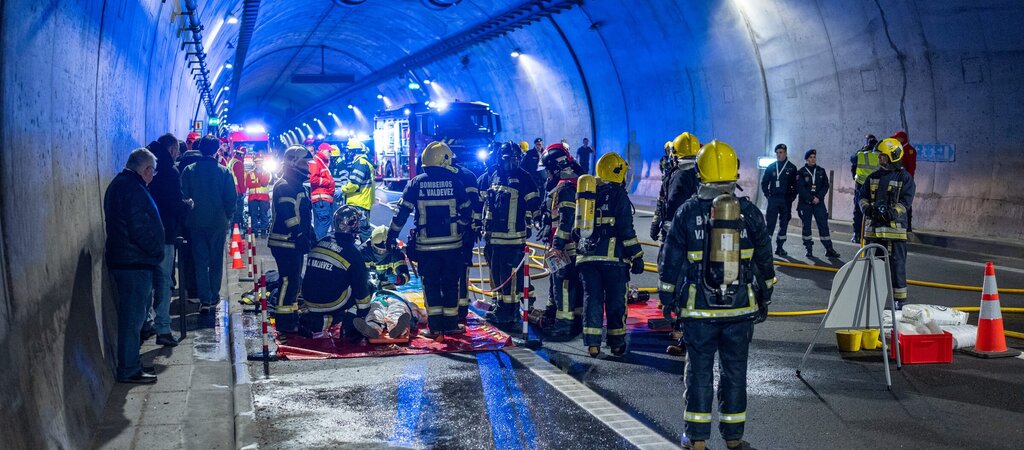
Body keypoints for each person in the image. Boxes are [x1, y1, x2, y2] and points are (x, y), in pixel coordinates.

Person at [658, 140, 776, 450]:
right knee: (735, 372)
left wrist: (667, 299)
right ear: (734, 173)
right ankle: (734, 438)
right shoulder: (750, 213)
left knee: (698, 372)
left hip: (699, 311)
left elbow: (671, 261)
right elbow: (765, 261)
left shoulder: (687, 213)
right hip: (740, 309)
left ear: (700, 172)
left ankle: (696, 439)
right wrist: (765, 295)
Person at [387, 142, 472, 337]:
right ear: (444, 159)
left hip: (426, 247)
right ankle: (450, 325)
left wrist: (392, 235)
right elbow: (467, 211)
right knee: (451, 284)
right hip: (452, 246)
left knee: (431, 285)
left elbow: (402, 213)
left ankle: (434, 328)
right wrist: (459, 227)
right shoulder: (455, 182)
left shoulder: (415, 183)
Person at [104, 148, 164, 384]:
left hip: (128, 260)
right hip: (133, 263)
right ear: (146, 169)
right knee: (132, 319)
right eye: (153, 172)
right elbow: (138, 229)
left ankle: (132, 363)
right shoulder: (132, 189)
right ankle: (128, 368)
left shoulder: (121, 184)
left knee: (134, 316)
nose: (153, 176)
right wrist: (156, 251)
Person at [576, 152, 645, 357]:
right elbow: (626, 230)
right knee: (616, 302)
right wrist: (637, 255)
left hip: (587, 258)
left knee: (592, 300)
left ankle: (593, 344)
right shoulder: (618, 195)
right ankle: (616, 343)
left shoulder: (588, 193)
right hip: (613, 260)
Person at [478, 142, 541, 329]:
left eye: (515, 159)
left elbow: (534, 203)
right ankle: (499, 306)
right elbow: (484, 203)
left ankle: (510, 312)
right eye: (508, 159)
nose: (512, 163)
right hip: (493, 237)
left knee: (511, 276)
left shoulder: (524, 177)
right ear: (500, 159)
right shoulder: (493, 175)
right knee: (496, 274)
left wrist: (538, 219)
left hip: (513, 238)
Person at [180, 135, 236, 313]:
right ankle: (213, 295)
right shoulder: (224, 172)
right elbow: (231, 198)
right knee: (216, 260)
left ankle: (204, 298)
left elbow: (183, 196)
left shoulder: (189, 170)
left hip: (196, 222)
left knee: (200, 261)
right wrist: (227, 216)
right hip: (218, 222)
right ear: (216, 150)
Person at [144, 134, 190, 346]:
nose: (177, 155)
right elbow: (173, 204)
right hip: (165, 233)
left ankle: (145, 322)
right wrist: (187, 205)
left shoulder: (145, 163)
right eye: (177, 151)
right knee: (164, 280)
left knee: (147, 281)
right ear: (172, 149)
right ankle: (163, 327)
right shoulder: (169, 171)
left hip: (144, 235)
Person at [859, 138, 915, 310]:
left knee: (897, 266)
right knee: (871, 265)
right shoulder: (872, 177)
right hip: (874, 231)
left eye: (882, 156)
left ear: (893, 156)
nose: (879, 159)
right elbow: (862, 197)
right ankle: (871, 298)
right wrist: (867, 209)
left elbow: (906, 201)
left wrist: (892, 213)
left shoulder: (904, 178)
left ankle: (900, 301)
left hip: (894, 232)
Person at [300, 206, 373, 337]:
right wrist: (364, 312)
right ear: (353, 225)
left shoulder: (322, 241)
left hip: (307, 299)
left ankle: (321, 318)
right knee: (368, 287)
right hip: (330, 302)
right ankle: (348, 324)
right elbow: (361, 288)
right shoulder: (353, 253)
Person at [541, 143, 585, 340]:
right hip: (573, 245)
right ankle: (576, 322)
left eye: (548, 170)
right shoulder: (575, 181)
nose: (547, 175)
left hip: (566, 247)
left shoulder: (565, 187)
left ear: (556, 167)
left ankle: (564, 326)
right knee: (571, 284)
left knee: (564, 285)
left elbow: (566, 219)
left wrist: (557, 245)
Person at [268, 146, 315, 332]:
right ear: (292, 161)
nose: (307, 167)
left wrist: (310, 234)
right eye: (304, 163)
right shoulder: (285, 185)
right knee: (288, 281)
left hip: (293, 242)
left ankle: (292, 316)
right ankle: (284, 321)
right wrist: (299, 234)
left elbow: (303, 216)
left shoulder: (297, 185)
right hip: (284, 242)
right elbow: (288, 214)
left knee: (294, 281)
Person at [653, 132, 701, 241]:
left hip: (680, 233)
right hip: (698, 231)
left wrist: (665, 236)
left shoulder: (678, 176)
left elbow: (672, 204)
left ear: (675, 152)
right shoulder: (702, 172)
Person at [452, 153, 483, 324]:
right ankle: (462, 308)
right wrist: (476, 224)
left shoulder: (447, 175)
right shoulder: (469, 175)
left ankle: (455, 307)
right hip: (468, 230)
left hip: (452, 231)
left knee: (451, 268)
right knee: (463, 267)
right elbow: (476, 204)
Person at [796, 149, 841, 259]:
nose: (813, 159)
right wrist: (811, 198)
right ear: (806, 159)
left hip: (819, 203)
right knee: (806, 227)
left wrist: (818, 197)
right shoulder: (801, 172)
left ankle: (829, 249)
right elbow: (800, 188)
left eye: (814, 157)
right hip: (806, 203)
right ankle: (809, 249)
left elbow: (826, 186)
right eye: (810, 157)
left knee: (823, 225)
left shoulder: (821, 171)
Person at [759, 143, 798, 256]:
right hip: (773, 199)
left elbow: (796, 185)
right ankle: (766, 249)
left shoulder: (792, 167)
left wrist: (792, 196)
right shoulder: (771, 167)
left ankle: (780, 247)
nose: (778, 155)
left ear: (785, 153)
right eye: (777, 153)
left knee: (784, 224)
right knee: (770, 224)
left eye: (781, 152)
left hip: (786, 200)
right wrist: (768, 195)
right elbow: (764, 183)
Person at [341, 140, 376, 242]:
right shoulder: (364, 162)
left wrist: (342, 189)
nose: (348, 154)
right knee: (355, 229)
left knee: (362, 229)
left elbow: (354, 184)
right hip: (361, 201)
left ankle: (369, 249)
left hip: (358, 202)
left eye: (349, 151)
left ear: (353, 152)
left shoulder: (360, 163)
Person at [360, 226, 411, 290]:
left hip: (387, 283)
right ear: (371, 243)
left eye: (385, 250)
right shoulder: (362, 252)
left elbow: (406, 276)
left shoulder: (396, 252)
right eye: (378, 250)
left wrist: (398, 279)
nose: (381, 252)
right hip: (368, 284)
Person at [850, 134, 879, 243]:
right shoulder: (880, 155)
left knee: (858, 210)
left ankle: (857, 234)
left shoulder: (860, 153)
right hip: (875, 186)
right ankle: (873, 235)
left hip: (860, 185)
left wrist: (863, 149)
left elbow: (852, 161)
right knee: (874, 210)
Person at [891, 130, 917, 231]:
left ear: (902, 139)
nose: (896, 140)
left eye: (897, 138)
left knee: (906, 203)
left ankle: (908, 227)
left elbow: (911, 168)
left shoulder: (909, 150)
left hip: (906, 181)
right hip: (898, 180)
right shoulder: (900, 149)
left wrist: (908, 180)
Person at [310, 143, 336, 240]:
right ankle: (318, 243)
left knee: (320, 223)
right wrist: (328, 182)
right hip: (321, 199)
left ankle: (316, 244)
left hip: (322, 199)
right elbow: (313, 179)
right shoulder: (317, 161)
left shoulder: (321, 162)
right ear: (322, 151)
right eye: (329, 151)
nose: (330, 153)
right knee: (324, 221)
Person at [245, 155, 272, 237]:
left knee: (264, 215)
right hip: (253, 198)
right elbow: (248, 184)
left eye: (260, 162)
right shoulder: (250, 173)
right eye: (257, 162)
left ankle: (264, 231)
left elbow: (264, 183)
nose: (258, 164)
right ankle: (254, 232)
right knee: (253, 215)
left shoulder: (267, 173)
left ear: (262, 163)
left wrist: (256, 183)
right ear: (255, 163)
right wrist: (258, 183)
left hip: (263, 198)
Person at [227, 146, 247, 226]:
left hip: (230, 189)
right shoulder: (239, 163)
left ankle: (232, 227)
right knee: (238, 211)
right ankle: (236, 228)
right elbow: (240, 179)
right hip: (237, 190)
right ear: (242, 154)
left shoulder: (231, 161)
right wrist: (243, 191)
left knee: (232, 211)